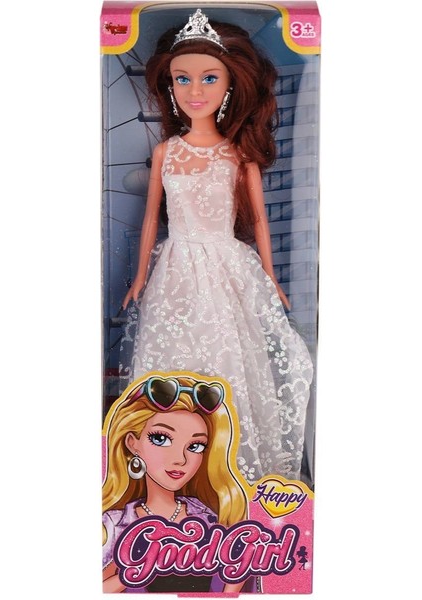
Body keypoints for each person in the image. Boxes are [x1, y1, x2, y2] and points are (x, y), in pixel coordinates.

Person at [121, 9, 314, 484]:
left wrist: (270, 279)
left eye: (209, 78)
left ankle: (234, 469)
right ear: (169, 85)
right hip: (176, 268)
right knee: (174, 358)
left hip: (227, 265)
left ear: (229, 86)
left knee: (231, 356)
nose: (195, 90)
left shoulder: (237, 154)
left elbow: (260, 219)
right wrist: (141, 276)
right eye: (182, 78)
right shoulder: (167, 151)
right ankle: (171, 473)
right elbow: (152, 218)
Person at [102, 374, 251, 593]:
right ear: (133, 443)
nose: (180, 459)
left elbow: (240, 564)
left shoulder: (205, 515)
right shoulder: (116, 524)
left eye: (196, 446)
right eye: (160, 439)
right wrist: (137, 570)